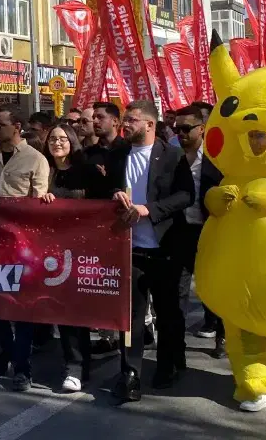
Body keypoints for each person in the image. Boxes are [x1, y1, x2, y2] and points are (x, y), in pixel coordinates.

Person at [107, 100, 194, 393]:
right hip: (130, 248)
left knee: (168, 313)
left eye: (131, 120)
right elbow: (106, 188)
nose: (125, 125)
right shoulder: (118, 154)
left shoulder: (172, 156)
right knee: (131, 317)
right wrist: (115, 193)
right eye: (125, 119)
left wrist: (150, 209)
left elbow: (186, 195)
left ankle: (169, 364)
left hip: (165, 247)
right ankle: (130, 373)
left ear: (150, 124)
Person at [0, 104, 51, 392]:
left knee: (22, 309)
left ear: (17, 127)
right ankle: (9, 351)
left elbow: (39, 203)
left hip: (23, 244)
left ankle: (22, 368)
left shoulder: (36, 159)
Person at [38, 122, 100, 391]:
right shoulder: (44, 170)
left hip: (82, 248)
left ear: (72, 141)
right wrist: (41, 199)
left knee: (77, 310)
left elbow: (101, 204)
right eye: (52, 139)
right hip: (49, 250)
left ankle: (77, 365)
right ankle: (74, 363)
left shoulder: (87, 171)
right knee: (60, 309)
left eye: (63, 138)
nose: (57, 143)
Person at [170, 105, 226, 360]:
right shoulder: (172, 157)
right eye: (176, 129)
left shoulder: (218, 158)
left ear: (201, 129)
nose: (180, 134)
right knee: (178, 289)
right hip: (181, 231)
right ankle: (176, 344)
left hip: (212, 230)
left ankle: (222, 335)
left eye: (186, 129)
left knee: (215, 285)